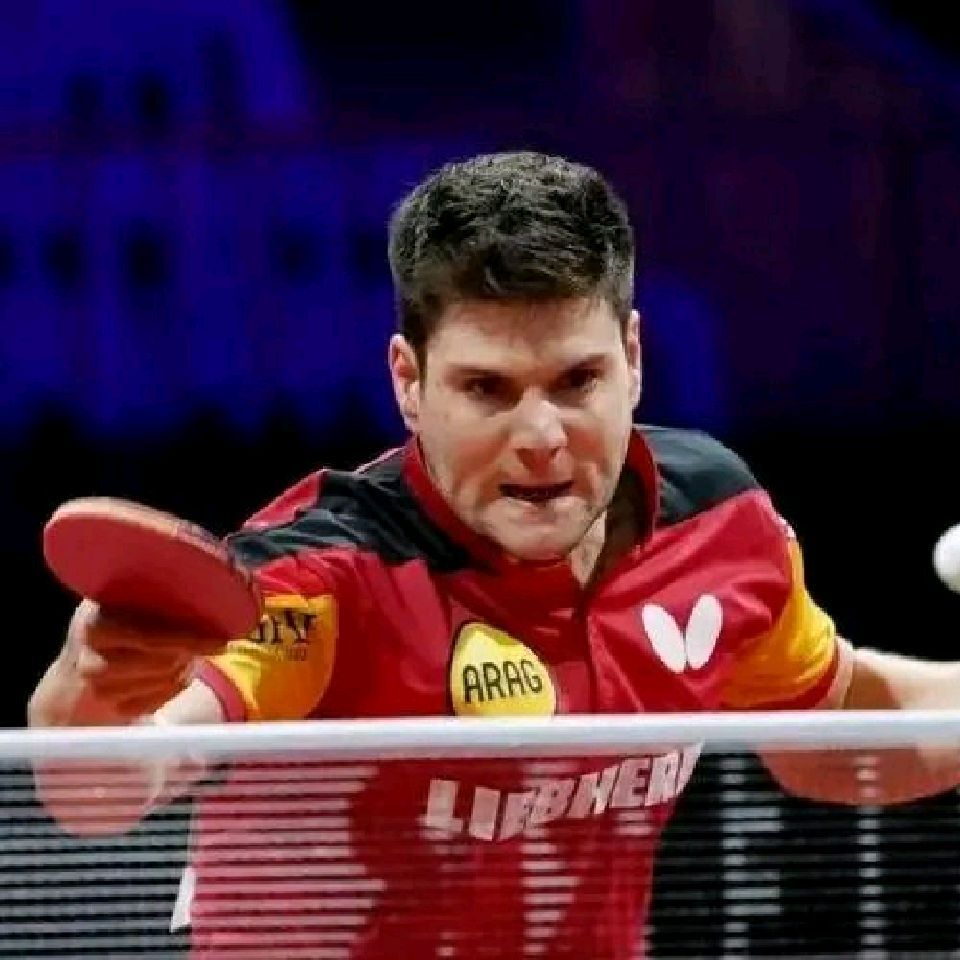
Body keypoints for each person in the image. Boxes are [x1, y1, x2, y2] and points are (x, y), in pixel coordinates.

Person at [27, 150, 960, 959]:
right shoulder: (326, 572)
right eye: (488, 389)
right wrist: (90, 693)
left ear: (634, 358)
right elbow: (112, 784)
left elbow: (832, 728)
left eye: (578, 380)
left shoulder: (713, 523)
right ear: (409, 382)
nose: (541, 437)